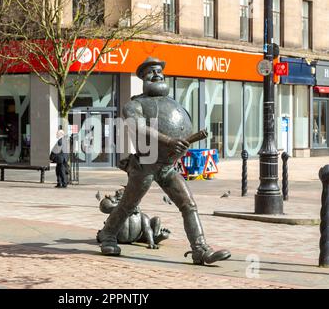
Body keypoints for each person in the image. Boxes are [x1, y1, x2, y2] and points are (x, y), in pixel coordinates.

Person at [97, 57, 231, 265]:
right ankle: (108, 235)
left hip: (168, 166)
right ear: (142, 78)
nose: (157, 74)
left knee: (189, 204)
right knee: (128, 204)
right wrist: (169, 140)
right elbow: (138, 126)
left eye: (159, 71)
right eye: (150, 72)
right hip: (146, 164)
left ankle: (200, 249)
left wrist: (179, 147)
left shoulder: (172, 102)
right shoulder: (134, 104)